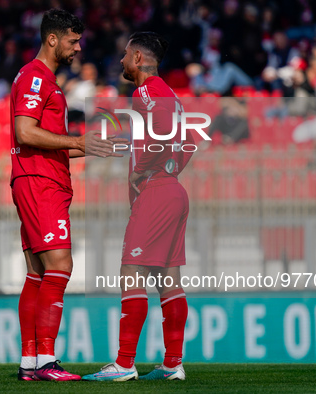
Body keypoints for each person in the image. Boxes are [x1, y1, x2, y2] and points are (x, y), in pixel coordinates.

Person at [10, 9, 122, 382]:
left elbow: (47, 142)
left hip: (38, 177)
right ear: (53, 39)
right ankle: (46, 361)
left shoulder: (43, 80)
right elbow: (25, 133)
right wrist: (75, 139)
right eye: (73, 41)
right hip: (41, 182)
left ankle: (30, 361)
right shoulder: (36, 79)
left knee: (38, 274)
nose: (78, 48)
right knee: (60, 266)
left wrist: (88, 146)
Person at [83, 31, 194, 382]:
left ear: (139, 59)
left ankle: (124, 363)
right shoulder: (172, 95)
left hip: (156, 193)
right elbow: (187, 142)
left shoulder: (145, 91)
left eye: (126, 55)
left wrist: (144, 170)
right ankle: (173, 364)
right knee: (169, 280)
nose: (121, 61)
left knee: (131, 272)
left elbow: (161, 131)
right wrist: (169, 168)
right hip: (174, 189)